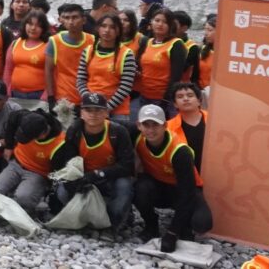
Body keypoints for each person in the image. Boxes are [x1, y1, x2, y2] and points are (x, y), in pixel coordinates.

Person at [133, 104, 212, 251]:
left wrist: (172, 233)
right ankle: (151, 225)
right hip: (158, 187)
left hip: (183, 190)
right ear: (139, 126)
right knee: (139, 188)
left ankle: (184, 226)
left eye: (155, 125)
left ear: (165, 125)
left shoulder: (180, 151)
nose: (150, 130)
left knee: (202, 223)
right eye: (146, 125)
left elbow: (187, 193)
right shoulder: (136, 135)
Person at [56, 93, 135, 231]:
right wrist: (75, 180)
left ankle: (114, 223)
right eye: (88, 110)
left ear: (106, 113)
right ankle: (85, 219)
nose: (93, 114)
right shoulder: (74, 131)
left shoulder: (118, 132)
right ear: (81, 113)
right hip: (85, 176)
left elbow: (127, 166)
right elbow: (69, 162)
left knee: (124, 186)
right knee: (63, 191)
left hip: (111, 176)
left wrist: (98, 174)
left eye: (98, 110)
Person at [0, 109, 68, 217]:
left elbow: (57, 172)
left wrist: (48, 190)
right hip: (16, 163)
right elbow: (12, 118)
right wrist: (9, 146)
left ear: (42, 135)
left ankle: (17, 218)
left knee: (23, 198)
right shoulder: (27, 117)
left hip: (38, 173)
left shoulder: (60, 144)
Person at [76, 14, 137, 129]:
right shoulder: (88, 51)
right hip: (90, 109)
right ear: (98, 28)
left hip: (117, 111)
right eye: (103, 26)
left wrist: (105, 108)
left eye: (112, 27)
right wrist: (91, 102)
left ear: (118, 31)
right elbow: (81, 79)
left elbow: (126, 87)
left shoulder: (126, 54)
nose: (107, 30)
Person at [133, 8, 187, 120]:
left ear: (170, 25)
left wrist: (165, 101)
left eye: (165, 22)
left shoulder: (176, 44)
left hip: (164, 99)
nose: (160, 24)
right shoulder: (146, 42)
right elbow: (139, 65)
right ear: (151, 22)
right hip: (144, 96)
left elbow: (176, 77)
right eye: (157, 20)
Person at [45, 3, 94, 108]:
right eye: (67, 18)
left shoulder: (93, 41)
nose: (71, 22)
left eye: (75, 17)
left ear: (84, 20)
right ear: (62, 20)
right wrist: (50, 97)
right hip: (64, 99)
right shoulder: (54, 41)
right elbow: (48, 70)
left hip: (89, 97)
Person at [4, 11, 52, 111]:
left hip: (38, 96)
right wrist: (6, 89)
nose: (33, 28)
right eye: (30, 24)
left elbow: (53, 73)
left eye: (38, 25)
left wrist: (46, 94)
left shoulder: (49, 45)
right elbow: (8, 69)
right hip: (14, 94)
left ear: (43, 28)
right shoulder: (15, 43)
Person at [166, 82, 208, 171]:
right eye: (180, 97)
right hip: (186, 173)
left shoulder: (214, 120)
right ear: (175, 104)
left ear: (199, 101)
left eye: (190, 95)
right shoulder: (168, 128)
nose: (185, 99)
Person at [172, 10, 201, 85]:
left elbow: (182, 69)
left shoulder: (192, 47)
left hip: (179, 86)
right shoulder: (162, 40)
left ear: (184, 28)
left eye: (174, 24)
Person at [198, 14, 216, 91]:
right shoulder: (201, 49)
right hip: (201, 91)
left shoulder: (227, 54)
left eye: (210, 30)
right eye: (205, 29)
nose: (205, 33)